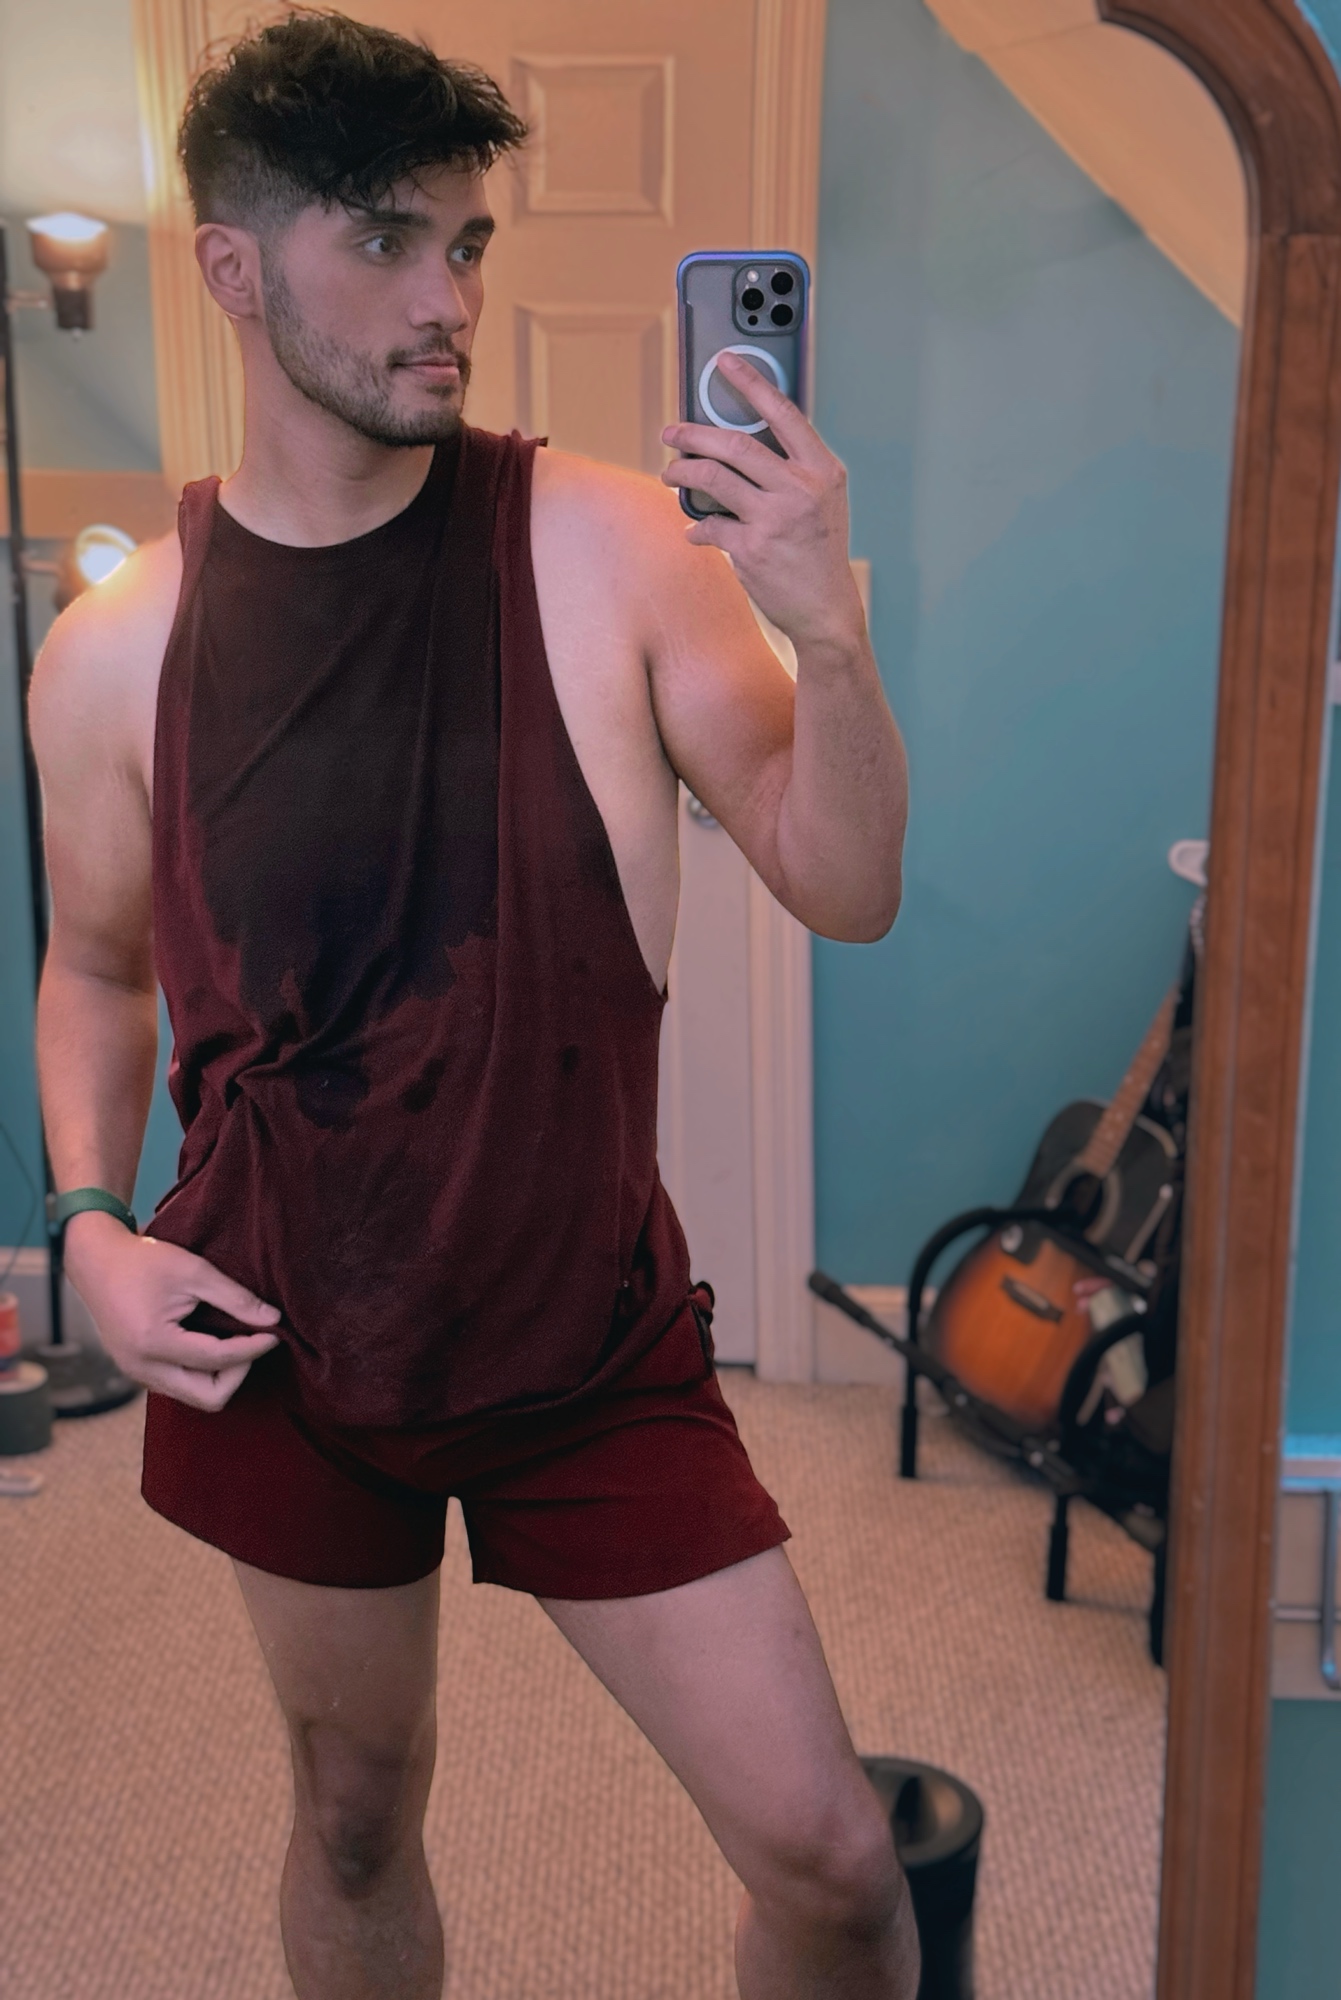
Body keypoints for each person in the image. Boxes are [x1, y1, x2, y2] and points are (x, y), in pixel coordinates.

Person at [29, 13, 915, 1998]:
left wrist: (831, 632)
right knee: (354, 1812)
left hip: (585, 1327)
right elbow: (92, 970)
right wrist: (85, 1222)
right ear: (232, 266)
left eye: (468, 243)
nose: (449, 300)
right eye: (386, 241)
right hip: (279, 1335)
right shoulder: (114, 650)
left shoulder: (612, 548)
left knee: (831, 1859)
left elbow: (844, 886)